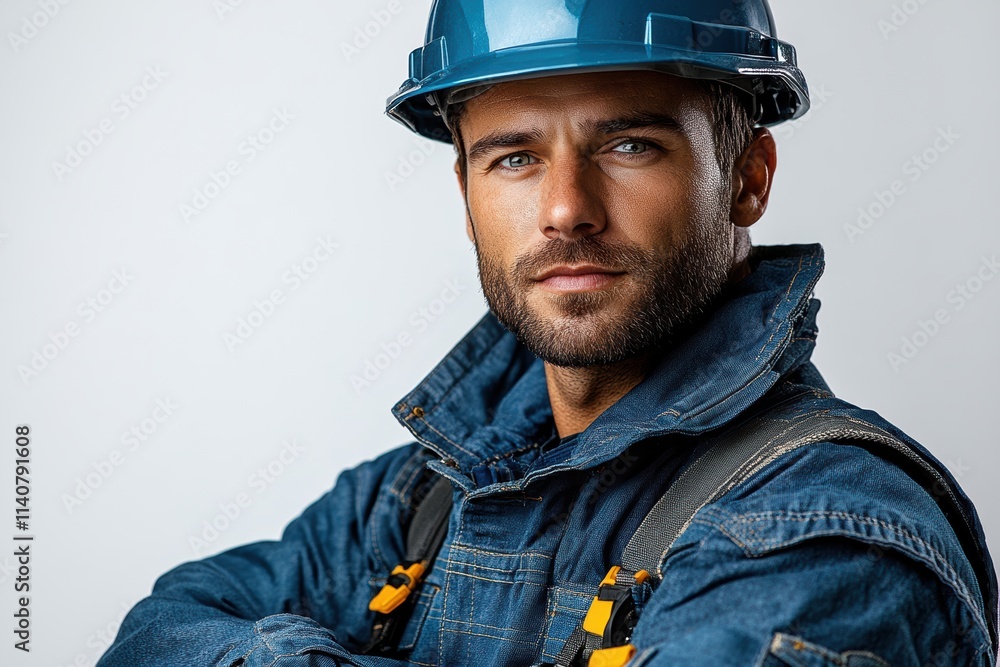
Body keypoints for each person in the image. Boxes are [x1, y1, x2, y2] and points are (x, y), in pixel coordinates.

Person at [98, 1, 998, 665]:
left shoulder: (823, 530)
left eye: (630, 145)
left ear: (749, 176)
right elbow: (160, 628)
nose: (566, 209)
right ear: (465, 196)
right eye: (517, 157)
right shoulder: (423, 498)